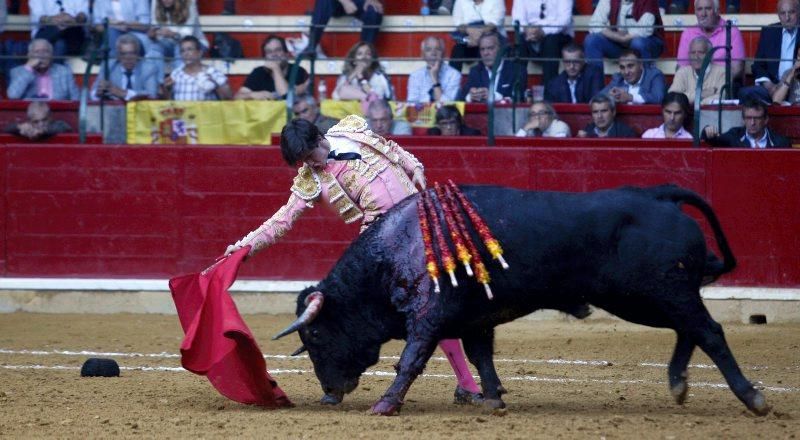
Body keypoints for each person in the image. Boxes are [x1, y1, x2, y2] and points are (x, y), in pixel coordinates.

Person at [224, 115, 485, 405]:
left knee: (437, 305)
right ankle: (334, 383)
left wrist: (415, 167)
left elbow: (391, 148)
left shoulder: (352, 131)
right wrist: (244, 247)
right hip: (381, 245)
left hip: (420, 225)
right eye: (303, 162)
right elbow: (281, 221)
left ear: (320, 140)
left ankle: (466, 385)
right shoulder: (311, 181)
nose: (311, 165)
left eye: (311, 156)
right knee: (356, 310)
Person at [740, 0, 800, 103]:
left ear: (799, 12)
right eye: (782, 13)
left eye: (791, 12)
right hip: (773, 86)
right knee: (745, 93)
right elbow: (758, 65)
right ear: (778, 15)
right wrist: (769, 86)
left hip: (796, 86)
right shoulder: (769, 32)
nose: (787, 18)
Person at [583, 0, 665, 73]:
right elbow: (595, 24)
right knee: (591, 40)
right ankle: (595, 86)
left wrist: (624, 38)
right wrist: (618, 37)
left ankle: (646, 83)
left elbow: (644, 30)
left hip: (647, 44)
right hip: (619, 44)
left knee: (638, 42)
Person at [675, 0, 745, 82]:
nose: (703, 14)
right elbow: (681, 68)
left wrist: (713, 83)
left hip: (724, 84)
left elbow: (737, 69)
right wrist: (698, 85)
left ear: (717, 11)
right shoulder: (688, 33)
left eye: (708, 9)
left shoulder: (732, 31)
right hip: (694, 85)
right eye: (699, 9)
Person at [511, 0, 574, 86]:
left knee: (551, 40)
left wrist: (543, 31)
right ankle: (519, 92)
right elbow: (517, 19)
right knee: (520, 41)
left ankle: (549, 93)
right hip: (530, 34)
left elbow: (564, 20)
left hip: (558, 36)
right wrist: (527, 30)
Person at [456, 31, 527, 102]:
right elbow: (462, 98)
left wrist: (495, 97)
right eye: (482, 49)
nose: (485, 53)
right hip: (483, 113)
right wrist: (470, 97)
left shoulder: (517, 70)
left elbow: (518, 99)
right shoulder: (475, 71)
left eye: (490, 48)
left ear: (500, 49)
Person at [235, 35, 310, 100]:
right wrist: (252, 95)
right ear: (265, 57)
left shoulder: (298, 71)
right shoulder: (258, 72)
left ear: (286, 54)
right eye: (269, 52)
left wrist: (276, 69)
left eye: (278, 50)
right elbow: (237, 97)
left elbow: (286, 97)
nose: (274, 54)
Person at [90, 34, 160, 101]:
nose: (128, 58)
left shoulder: (149, 68)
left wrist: (124, 93)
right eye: (123, 54)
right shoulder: (109, 66)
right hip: (114, 110)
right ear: (118, 56)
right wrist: (97, 93)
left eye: (132, 53)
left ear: (138, 55)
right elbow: (92, 93)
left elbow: (152, 95)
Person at [160, 36, 232, 101]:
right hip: (182, 115)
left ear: (199, 53)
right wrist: (166, 89)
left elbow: (228, 97)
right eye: (182, 51)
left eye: (190, 49)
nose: (186, 53)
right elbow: (168, 101)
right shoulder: (176, 74)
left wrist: (215, 85)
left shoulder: (212, 72)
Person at [149, 0, 208, 79]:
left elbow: (188, 34)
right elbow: (155, 24)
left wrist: (172, 34)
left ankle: (179, 83)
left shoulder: (189, 2)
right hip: (167, 41)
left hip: (194, 42)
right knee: (154, 49)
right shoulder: (156, 1)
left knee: (181, 47)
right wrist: (154, 33)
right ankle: (159, 85)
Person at [7, 39, 80, 101]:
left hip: (57, 112)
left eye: (46, 51)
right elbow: (13, 95)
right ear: (29, 55)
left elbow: (76, 98)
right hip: (29, 114)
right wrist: (28, 68)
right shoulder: (17, 71)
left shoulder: (64, 72)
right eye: (37, 52)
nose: (41, 56)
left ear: (52, 55)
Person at [701, 99, 792, 148]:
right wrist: (707, 131)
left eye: (757, 118)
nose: (752, 123)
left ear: (766, 120)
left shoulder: (781, 143)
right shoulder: (734, 136)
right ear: (743, 120)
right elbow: (713, 141)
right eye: (748, 118)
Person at [449, 0, 506, 72]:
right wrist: (468, 30)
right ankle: (452, 80)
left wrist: (479, 37)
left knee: (485, 46)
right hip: (470, 40)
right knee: (457, 50)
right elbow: (458, 24)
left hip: (492, 38)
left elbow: (495, 23)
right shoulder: (460, 1)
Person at [668, 36, 726, 105]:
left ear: (710, 55)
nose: (696, 57)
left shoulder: (722, 72)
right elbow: (672, 97)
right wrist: (701, 94)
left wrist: (698, 102)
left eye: (701, 52)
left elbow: (722, 97)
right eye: (693, 53)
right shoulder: (682, 72)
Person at [598, 48, 666, 104]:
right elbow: (595, 99)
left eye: (630, 66)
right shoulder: (618, 78)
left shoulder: (654, 75)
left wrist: (631, 98)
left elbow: (658, 98)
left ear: (640, 65)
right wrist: (608, 97)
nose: (626, 72)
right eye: (622, 67)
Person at [307, 0, 384, 50]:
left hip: (360, 3)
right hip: (337, 3)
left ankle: (365, 53)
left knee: (374, 10)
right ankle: (311, 46)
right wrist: (345, 2)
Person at [406, 36, 462, 103]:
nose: (433, 53)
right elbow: (411, 106)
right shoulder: (415, 76)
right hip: (421, 113)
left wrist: (434, 79)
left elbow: (447, 106)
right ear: (422, 55)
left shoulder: (454, 75)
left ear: (444, 54)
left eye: (437, 49)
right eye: (428, 50)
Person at [3, 101, 72, 141]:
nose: (41, 124)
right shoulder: (28, 128)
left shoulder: (58, 125)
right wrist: (19, 127)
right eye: (36, 121)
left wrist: (43, 131)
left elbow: (65, 127)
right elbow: (6, 129)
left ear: (50, 117)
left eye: (44, 120)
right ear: (30, 121)